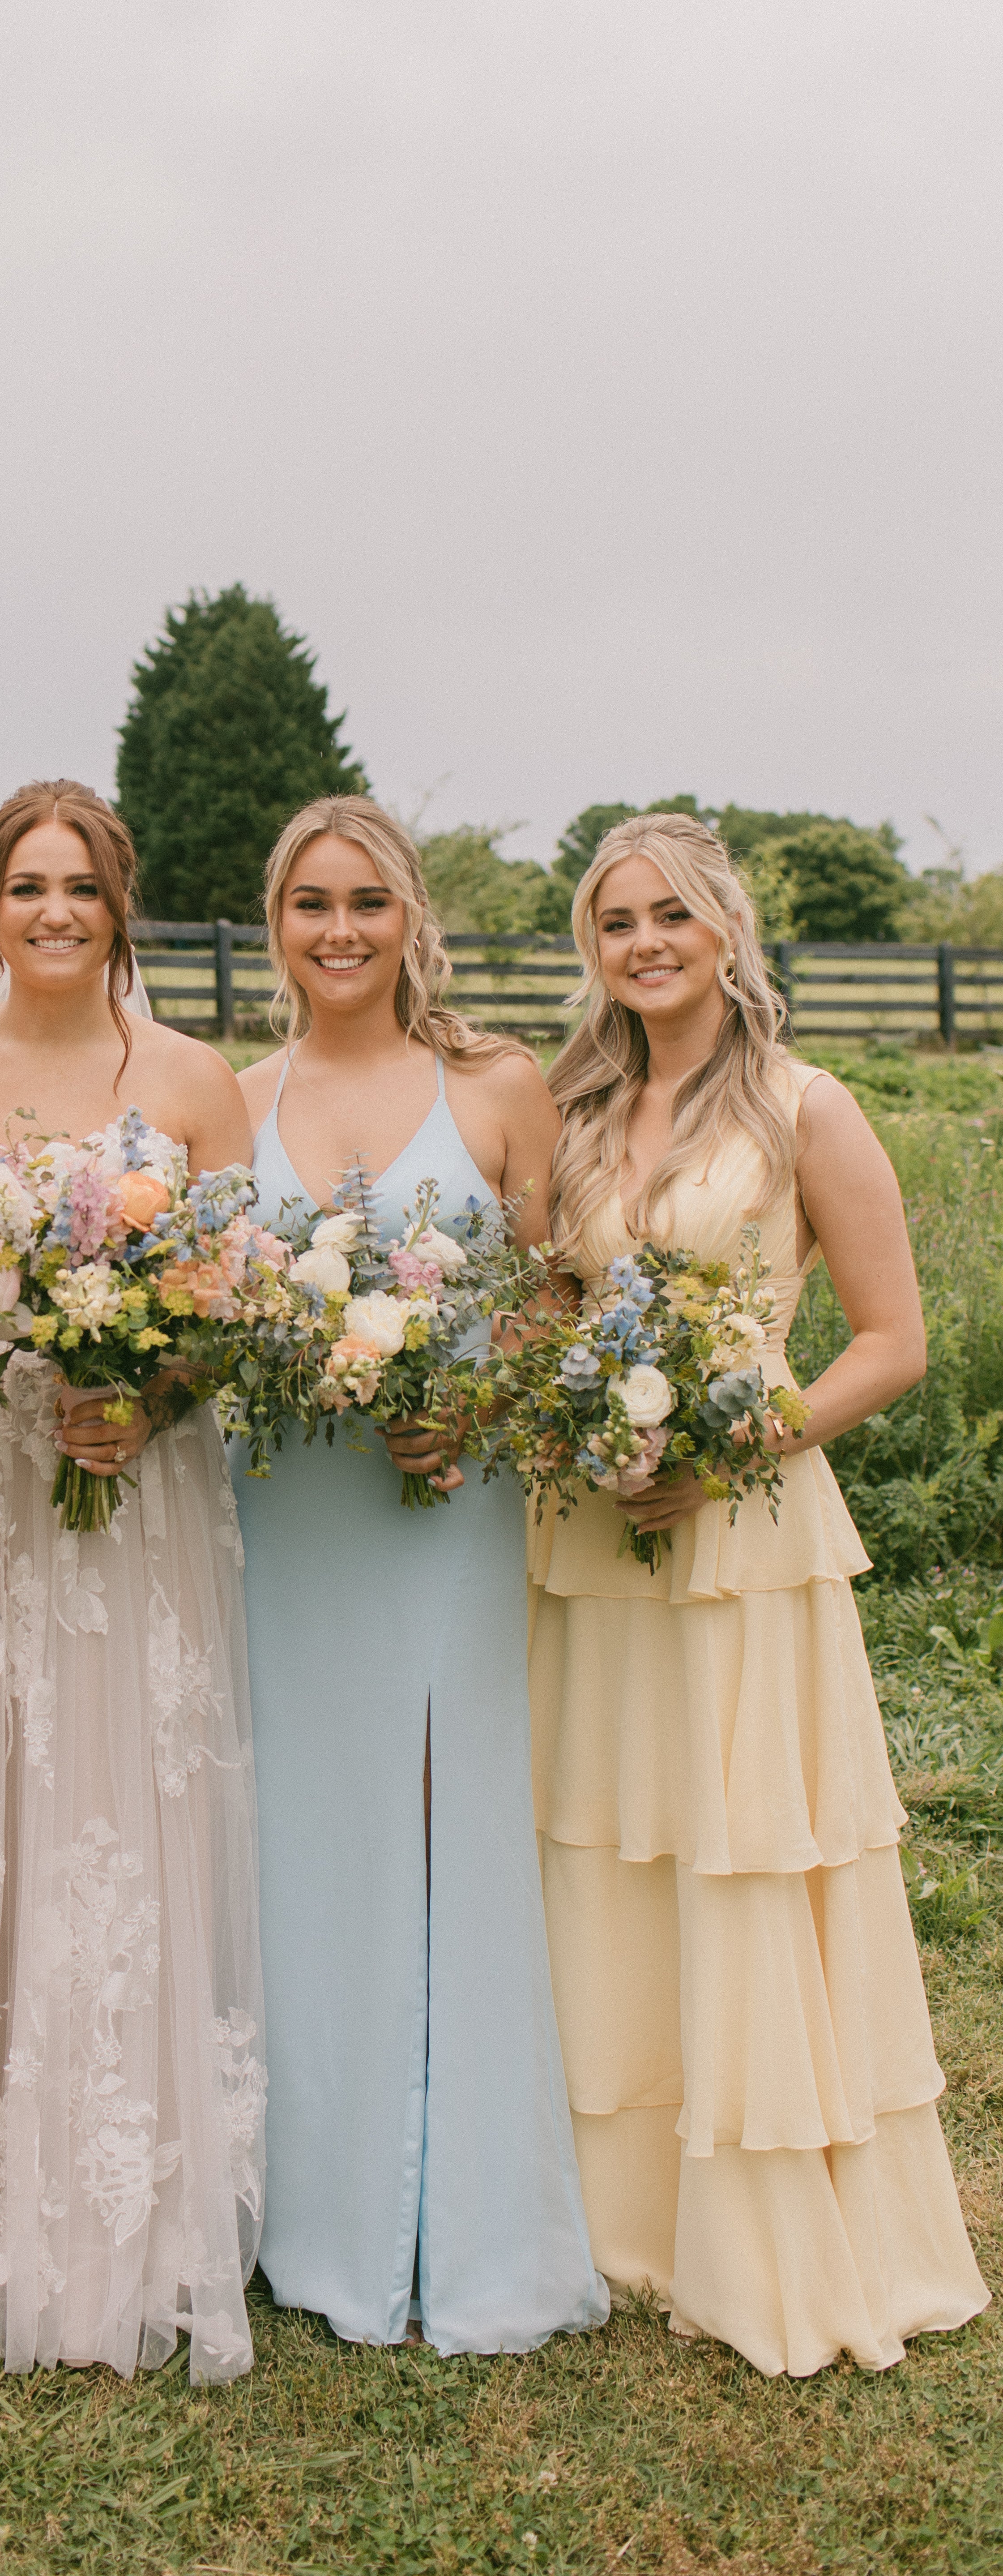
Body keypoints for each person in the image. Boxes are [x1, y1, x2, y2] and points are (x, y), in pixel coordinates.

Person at [531, 810, 990, 2375]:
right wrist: (578, 1420)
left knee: (736, 1851)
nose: (643, 942)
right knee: (612, 1844)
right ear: (590, 948)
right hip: (593, 1534)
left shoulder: (806, 1106)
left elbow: (890, 1342)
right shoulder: (574, 1111)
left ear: (724, 926)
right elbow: (550, 1309)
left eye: (669, 913)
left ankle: (758, 2224)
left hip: (742, 1533)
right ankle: (621, 2214)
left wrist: (728, 1449)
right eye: (614, 921)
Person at [0, 779, 266, 2384]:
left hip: (131, 1488)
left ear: (120, 907)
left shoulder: (188, 1078)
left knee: (114, 1806)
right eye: (26, 885)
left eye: (81, 887)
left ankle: (118, 2196)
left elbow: (234, 1301)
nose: (53, 912)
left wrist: (148, 1393)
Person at [231, 795, 608, 2353]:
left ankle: (464, 2217)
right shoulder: (233, 1100)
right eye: (310, 903)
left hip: (449, 1499)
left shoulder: (497, 1084)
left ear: (409, 919)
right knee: (301, 1831)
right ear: (276, 923)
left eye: (365, 902)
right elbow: (208, 1308)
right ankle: (306, 2203)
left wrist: (472, 1401)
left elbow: (553, 1293)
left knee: (449, 1819)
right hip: (286, 1515)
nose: (339, 930)